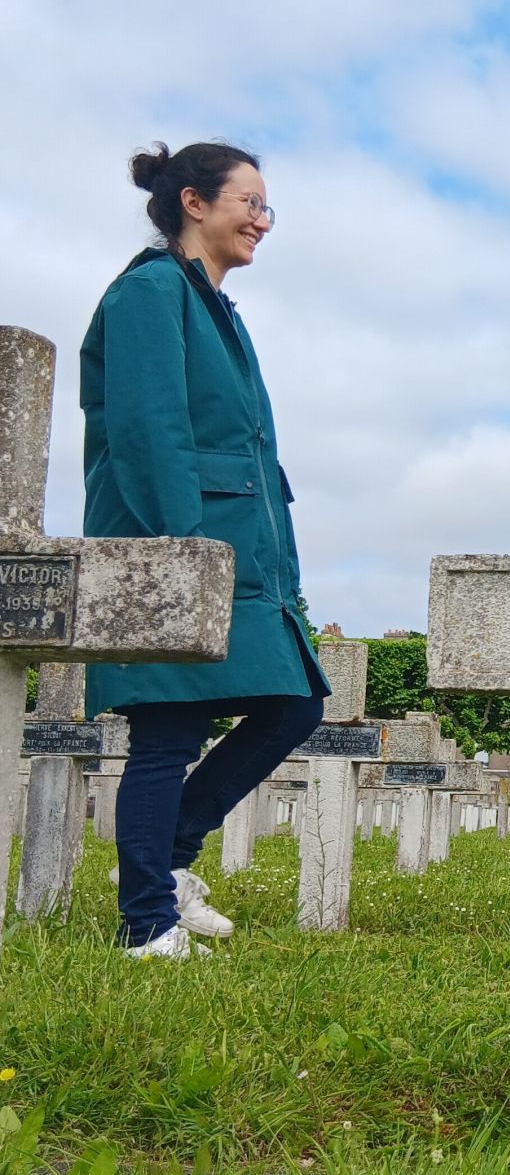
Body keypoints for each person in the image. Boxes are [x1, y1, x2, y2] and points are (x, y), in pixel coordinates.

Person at [81, 141, 329, 959]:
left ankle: (168, 866)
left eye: (268, 207)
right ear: (195, 202)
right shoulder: (152, 292)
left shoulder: (216, 305)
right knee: (169, 728)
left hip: (239, 554)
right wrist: (181, 555)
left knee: (295, 703)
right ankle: (146, 924)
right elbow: (150, 431)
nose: (263, 220)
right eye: (249, 202)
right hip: (177, 546)